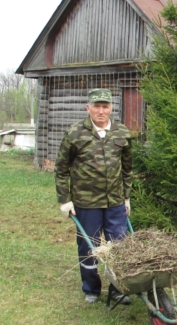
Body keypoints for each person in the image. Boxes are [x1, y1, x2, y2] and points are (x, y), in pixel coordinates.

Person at [55, 88, 134, 304]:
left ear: (111, 108)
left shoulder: (122, 133)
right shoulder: (75, 134)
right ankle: (91, 288)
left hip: (115, 202)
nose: (101, 111)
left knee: (118, 246)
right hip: (86, 202)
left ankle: (119, 289)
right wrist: (65, 200)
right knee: (88, 246)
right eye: (96, 106)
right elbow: (61, 169)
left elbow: (127, 169)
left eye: (105, 106)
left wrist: (126, 197)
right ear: (87, 107)